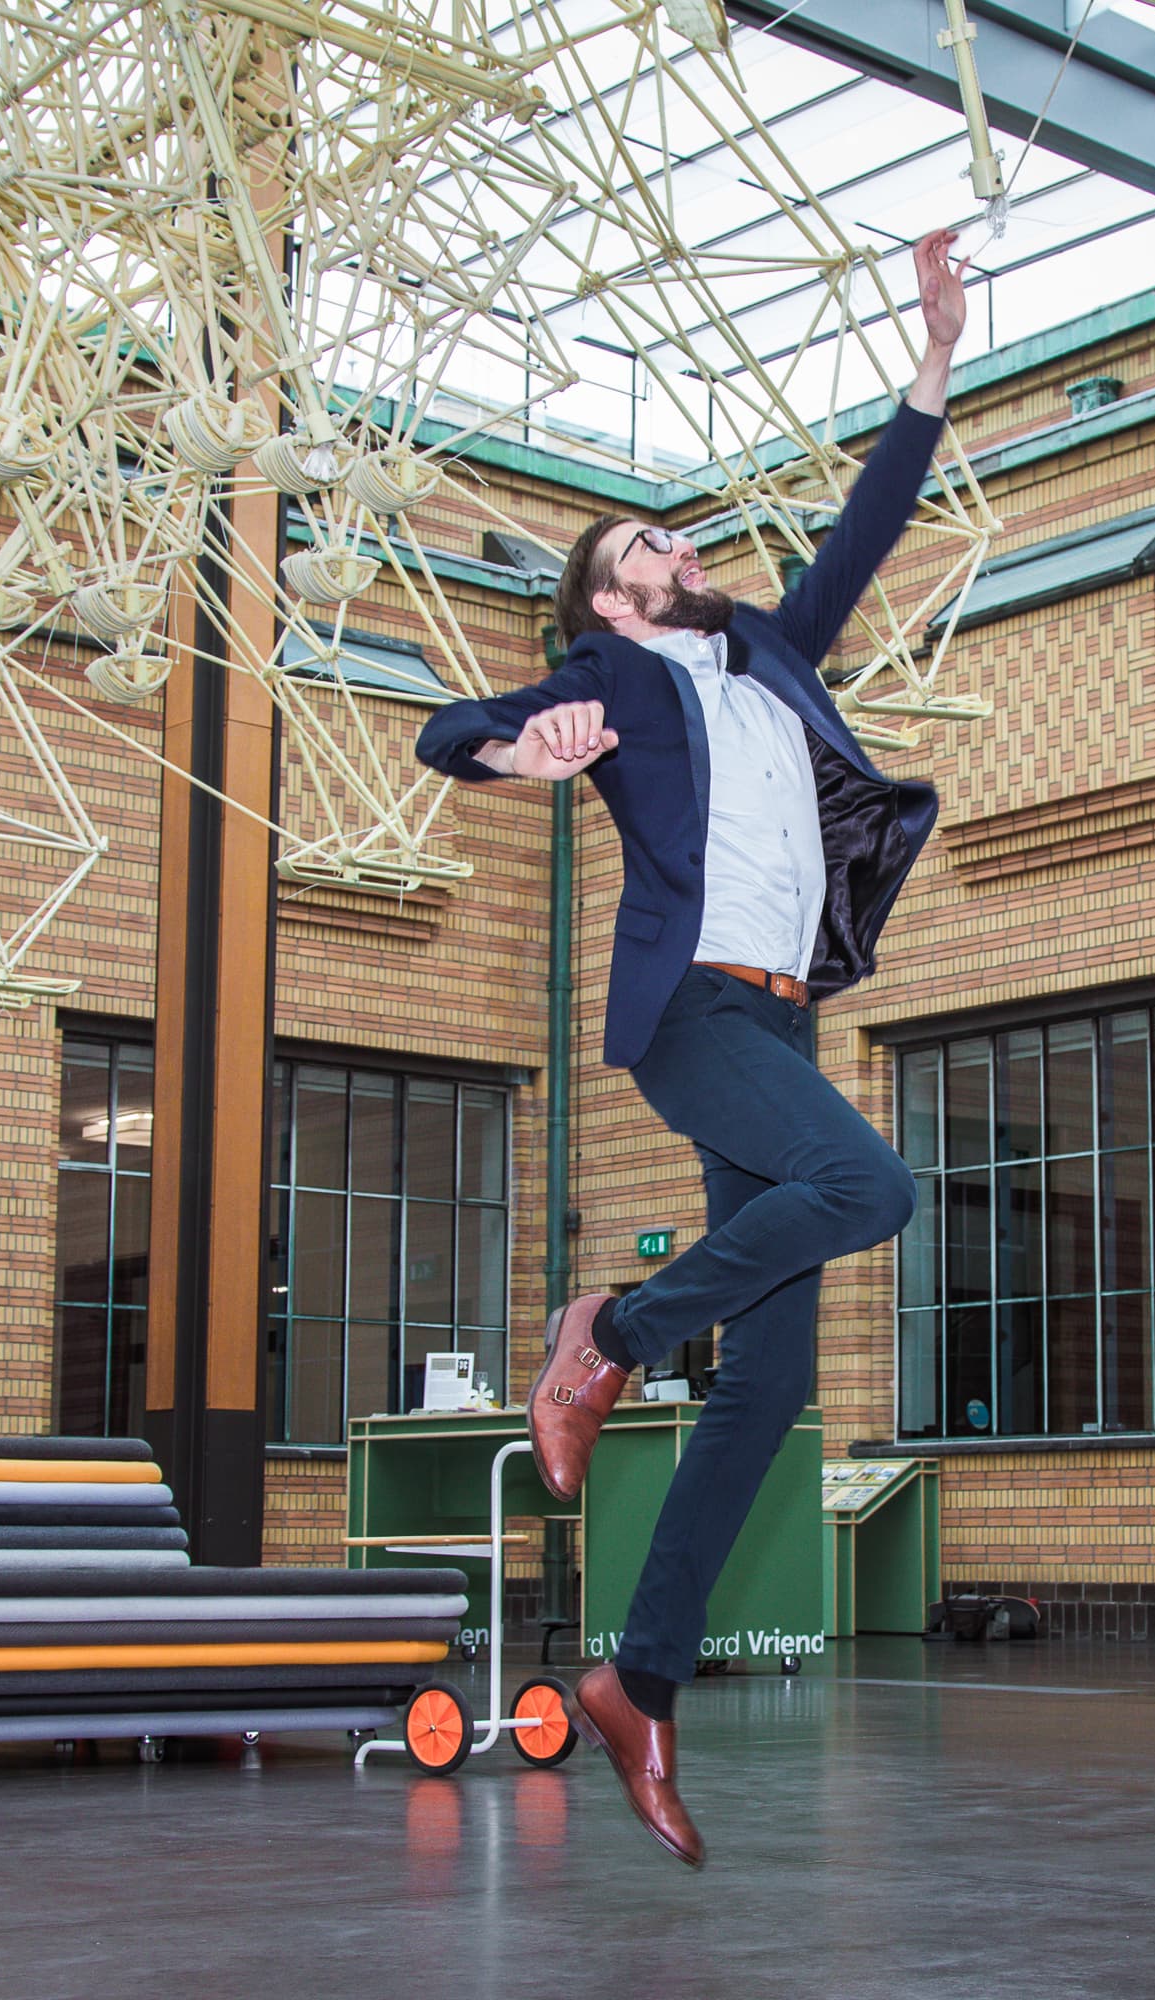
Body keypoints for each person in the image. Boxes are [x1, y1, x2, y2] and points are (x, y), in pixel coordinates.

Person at [411, 228, 969, 1868]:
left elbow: (867, 528)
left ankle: (637, 1680)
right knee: (871, 1188)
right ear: (610, 594)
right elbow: (450, 725)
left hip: (779, 1015)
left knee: (775, 1383)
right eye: (652, 543)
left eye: (681, 538)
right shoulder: (611, 674)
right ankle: (613, 1336)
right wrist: (520, 751)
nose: (685, 549)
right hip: (692, 1013)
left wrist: (933, 362)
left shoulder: (768, 652)